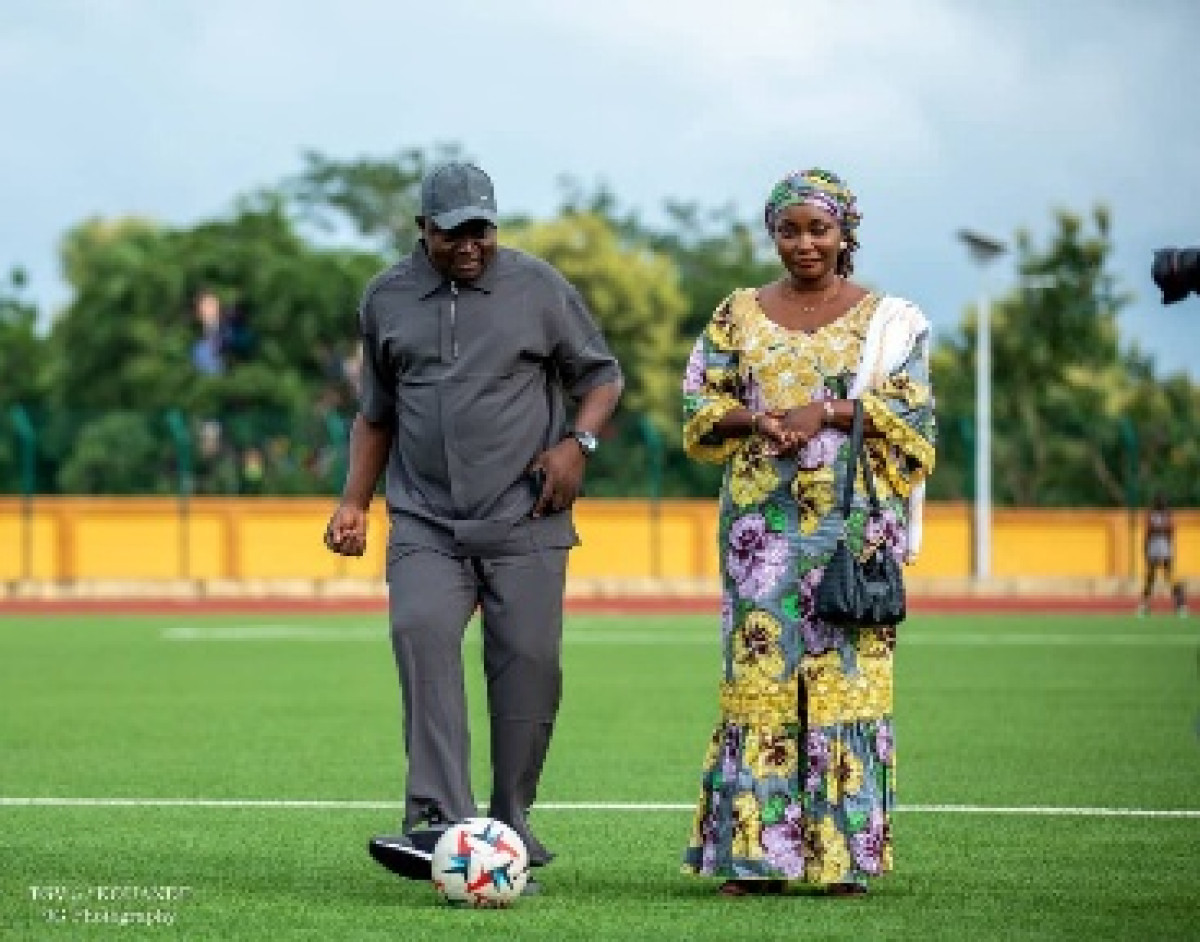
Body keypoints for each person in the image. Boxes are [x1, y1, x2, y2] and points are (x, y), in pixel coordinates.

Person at [323, 161, 622, 892]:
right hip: (425, 517)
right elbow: (376, 414)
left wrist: (576, 446)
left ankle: (509, 823)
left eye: (480, 229)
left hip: (528, 514)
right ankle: (439, 823)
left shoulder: (539, 288)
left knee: (530, 668)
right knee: (420, 634)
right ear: (422, 229)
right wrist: (354, 502)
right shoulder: (386, 298)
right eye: (452, 231)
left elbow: (601, 376)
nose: (469, 245)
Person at [679, 168, 936, 897]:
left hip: (853, 532)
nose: (802, 244)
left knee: (845, 687)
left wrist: (823, 412)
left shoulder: (889, 321)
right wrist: (759, 419)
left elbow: (914, 415)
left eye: (817, 229)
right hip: (761, 533)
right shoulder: (737, 313)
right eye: (787, 230)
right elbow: (700, 401)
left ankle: (840, 860)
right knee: (758, 682)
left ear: (845, 233)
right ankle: (757, 860)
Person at [1139, 493, 1184, 616]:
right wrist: (1145, 548)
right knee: (1150, 577)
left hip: (1164, 548)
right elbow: (1148, 531)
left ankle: (1180, 605)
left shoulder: (1168, 515)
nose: (1162, 503)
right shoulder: (1151, 514)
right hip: (1153, 547)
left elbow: (1170, 530)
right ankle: (1144, 605)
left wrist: (1159, 530)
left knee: (1171, 576)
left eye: (1163, 501)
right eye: (1160, 501)